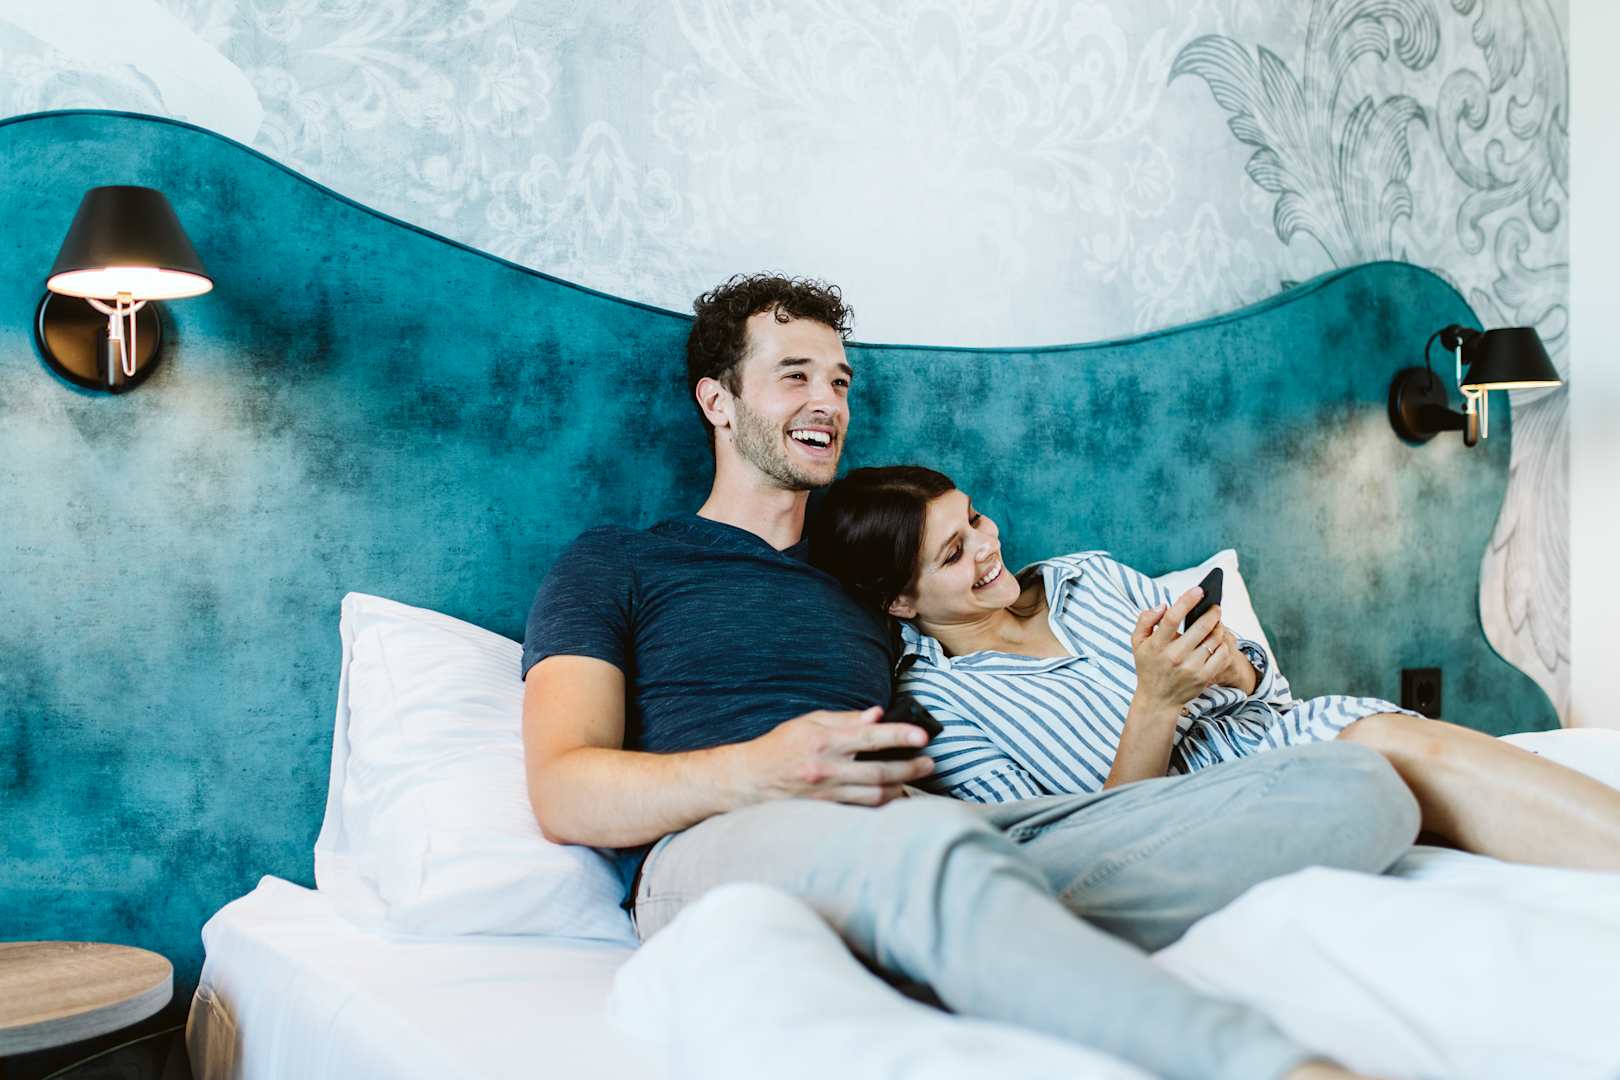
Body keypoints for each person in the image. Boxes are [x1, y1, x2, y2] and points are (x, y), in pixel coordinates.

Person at [521, 274, 1419, 1080]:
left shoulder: (874, 584)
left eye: (840, 381)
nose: (828, 402)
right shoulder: (619, 562)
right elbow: (563, 790)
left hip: (933, 832)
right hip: (726, 840)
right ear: (717, 400)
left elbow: (994, 658)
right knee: (926, 854)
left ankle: (975, 935)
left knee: (1352, 787)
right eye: (794, 375)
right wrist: (761, 769)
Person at [809, 464, 1620, 871]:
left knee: (1412, 744)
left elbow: (1271, 693)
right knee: (1396, 758)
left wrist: (1233, 668)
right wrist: (1156, 704)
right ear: (901, 601)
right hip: (1190, 824)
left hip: (1279, 738)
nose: (987, 546)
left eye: (976, 519)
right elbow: (1073, 850)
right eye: (953, 553)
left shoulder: (1088, 577)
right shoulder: (939, 706)